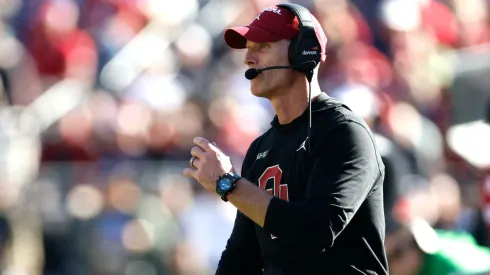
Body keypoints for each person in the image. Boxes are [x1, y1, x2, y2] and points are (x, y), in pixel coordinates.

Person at [182, 4, 388, 275]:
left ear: (303, 52)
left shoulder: (343, 131)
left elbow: (318, 231)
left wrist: (229, 184)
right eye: (249, 47)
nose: (248, 58)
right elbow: (242, 256)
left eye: (263, 46)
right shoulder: (260, 148)